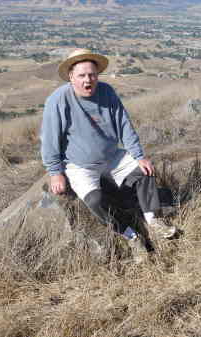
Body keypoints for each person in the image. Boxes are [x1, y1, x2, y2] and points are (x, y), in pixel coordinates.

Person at [40, 49, 175, 263]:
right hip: (80, 164)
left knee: (145, 170)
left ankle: (153, 221)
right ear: (71, 77)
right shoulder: (57, 100)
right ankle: (131, 235)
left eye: (92, 75)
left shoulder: (107, 92)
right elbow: (49, 140)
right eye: (82, 75)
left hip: (112, 156)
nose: (88, 80)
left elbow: (124, 126)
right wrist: (55, 173)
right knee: (95, 201)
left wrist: (139, 156)